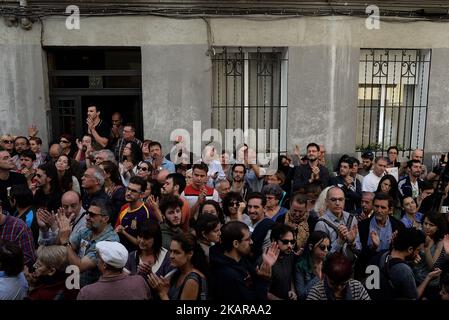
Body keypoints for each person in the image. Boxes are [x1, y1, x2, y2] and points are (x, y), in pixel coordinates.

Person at [209, 221, 280, 300]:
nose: (251, 242)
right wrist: (263, 280)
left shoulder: (242, 259)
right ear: (236, 243)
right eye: (248, 239)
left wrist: (259, 274)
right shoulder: (228, 275)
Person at [57, 198, 119, 287]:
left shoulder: (110, 241)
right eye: (87, 213)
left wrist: (66, 242)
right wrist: (61, 231)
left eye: (92, 215)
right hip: (74, 281)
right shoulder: (87, 230)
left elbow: (80, 267)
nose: (87, 217)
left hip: (93, 288)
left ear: (105, 219)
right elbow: (64, 250)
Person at [370, 227, 442, 300]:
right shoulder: (404, 270)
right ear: (410, 249)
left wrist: (410, 262)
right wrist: (429, 277)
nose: (418, 254)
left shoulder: (383, 254)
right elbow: (414, 297)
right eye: (417, 250)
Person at [354, 192, 404, 279]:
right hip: (368, 269)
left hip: (390, 270)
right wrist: (373, 247)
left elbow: (402, 252)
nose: (379, 210)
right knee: (371, 291)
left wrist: (394, 244)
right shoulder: (363, 226)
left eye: (383, 207)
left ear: (390, 209)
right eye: (376, 206)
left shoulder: (398, 226)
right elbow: (359, 254)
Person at [77, 241, 151, 300]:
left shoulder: (87, 293)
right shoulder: (139, 282)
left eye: (98, 257)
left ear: (104, 265)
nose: (96, 260)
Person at [147, 233, 208, 300]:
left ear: (190, 254)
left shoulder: (192, 281)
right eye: (171, 251)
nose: (171, 256)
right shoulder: (178, 272)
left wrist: (162, 293)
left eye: (177, 252)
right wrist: (167, 290)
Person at [115, 176, 157, 251]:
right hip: (120, 250)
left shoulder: (146, 213)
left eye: (133, 191)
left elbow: (144, 244)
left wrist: (124, 233)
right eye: (128, 189)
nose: (128, 193)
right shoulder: (124, 207)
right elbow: (117, 229)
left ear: (142, 195)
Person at [314, 187, 358, 258]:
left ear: (344, 201)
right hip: (331, 267)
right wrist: (339, 241)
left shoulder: (352, 218)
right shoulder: (321, 224)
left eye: (340, 199)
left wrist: (352, 243)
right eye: (333, 200)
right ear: (326, 202)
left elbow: (359, 249)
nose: (337, 203)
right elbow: (321, 256)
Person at [412, 211, 447, 300]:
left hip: (429, 284)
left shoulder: (440, 242)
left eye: (431, 225)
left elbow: (432, 267)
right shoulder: (418, 235)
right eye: (425, 223)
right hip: (414, 278)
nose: (427, 227)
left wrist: (427, 248)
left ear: (438, 227)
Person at [265, 223, 297, 300]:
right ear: (274, 240)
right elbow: (262, 291)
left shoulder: (290, 255)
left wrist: (292, 290)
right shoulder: (265, 261)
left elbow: (290, 276)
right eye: (285, 242)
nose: (290, 246)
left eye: (292, 242)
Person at [295, 231, 330, 300]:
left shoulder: (329, 261)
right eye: (322, 247)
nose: (326, 250)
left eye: (328, 247)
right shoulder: (301, 265)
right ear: (311, 247)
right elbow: (301, 295)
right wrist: (319, 277)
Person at [247, 192, 275, 261]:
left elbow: (265, 256)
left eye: (256, 207)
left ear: (264, 208)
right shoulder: (246, 222)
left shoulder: (268, 227)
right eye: (249, 206)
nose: (252, 210)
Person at [0, 148, 27, 214]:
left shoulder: (19, 177)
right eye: (6, 158)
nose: (11, 159)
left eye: (10, 156)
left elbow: (25, 201)